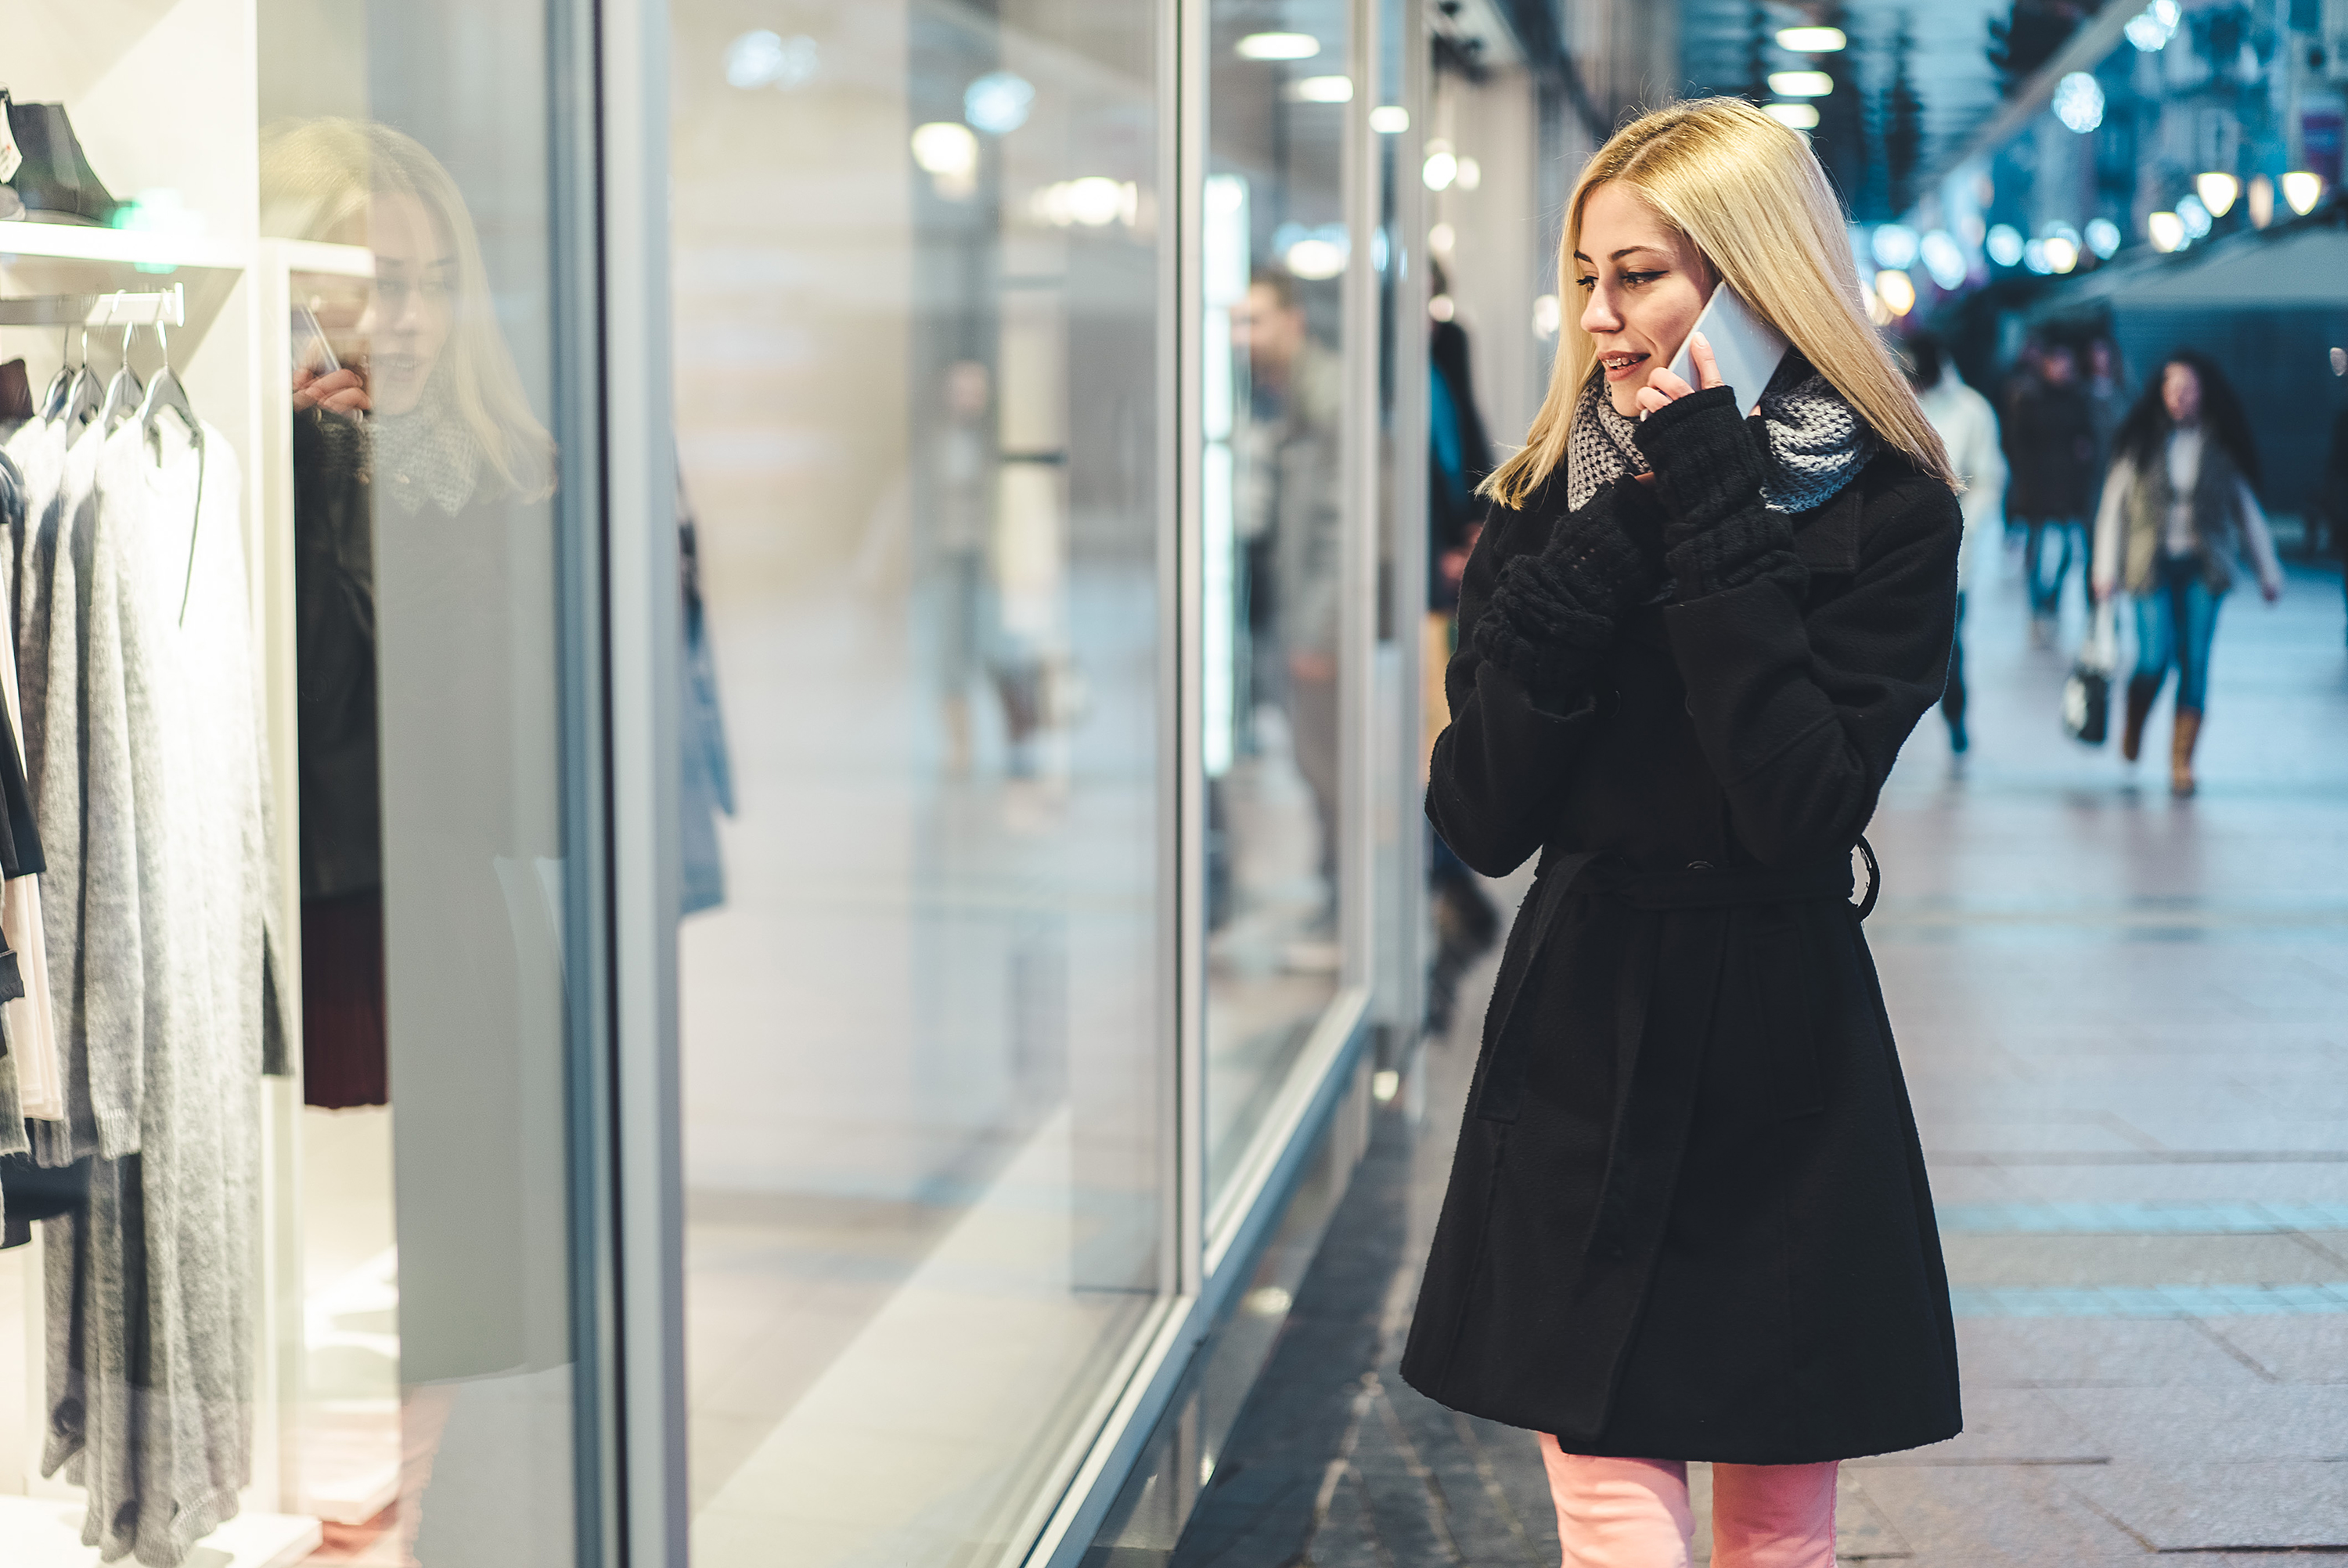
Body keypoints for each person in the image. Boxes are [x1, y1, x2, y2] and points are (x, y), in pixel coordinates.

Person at [1403, 98, 1963, 1568]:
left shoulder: (1892, 509)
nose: (1601, 313)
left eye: (1639, 273)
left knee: (1777, 1528)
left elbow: (1797, 804)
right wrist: (1612, 532)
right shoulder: (1542, 498)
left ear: (1752, 275)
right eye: (1586, 275)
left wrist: (1709, 488)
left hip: (1781, 1040)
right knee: (1608, 1513)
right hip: (1584, 1018)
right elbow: (1477, 813)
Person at [2092, 351, 2284, 797]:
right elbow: (2112, 509)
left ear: (2204, 393)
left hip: (2205, 567)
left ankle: (2182, 762)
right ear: (2160, 392)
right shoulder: (2139, 441)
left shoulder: (2220, 445)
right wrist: (2104, 571)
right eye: (2172, 387)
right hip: (2149, 564)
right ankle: (2136, 716)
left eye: (2189, 388)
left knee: (2195, 662)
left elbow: (2246, 511)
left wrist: (2268, 572)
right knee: (2154, 658)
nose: (2180, 397)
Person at [1425, 263, 1501, 1036]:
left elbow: (1464, 441)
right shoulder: (1376, 365)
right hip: (1413, 589)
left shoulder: (1446, 349)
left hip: (1433, 590)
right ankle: (1453, 898)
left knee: (1435, 747)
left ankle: (1454, 899)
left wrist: (1474, 529)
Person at [1905, 332, 2004, 754]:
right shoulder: (1891, 400)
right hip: (1897, 541)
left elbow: (1989, 478)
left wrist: (1963, 522)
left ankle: (1956, 716)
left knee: (1949, 642)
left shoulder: (1970, 411)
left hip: (1951, 548)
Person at [2004, 341, 2096, 646]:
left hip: (2069, 484)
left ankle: (2052, 597)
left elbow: (2086, 437)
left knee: (2070, 550)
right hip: (2039, 484)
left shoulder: (2078, 399)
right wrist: (2024, 482)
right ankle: (2037, 606)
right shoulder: (2031, 398)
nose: (2061, 371)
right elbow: (2018, 443)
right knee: (2037, 549)